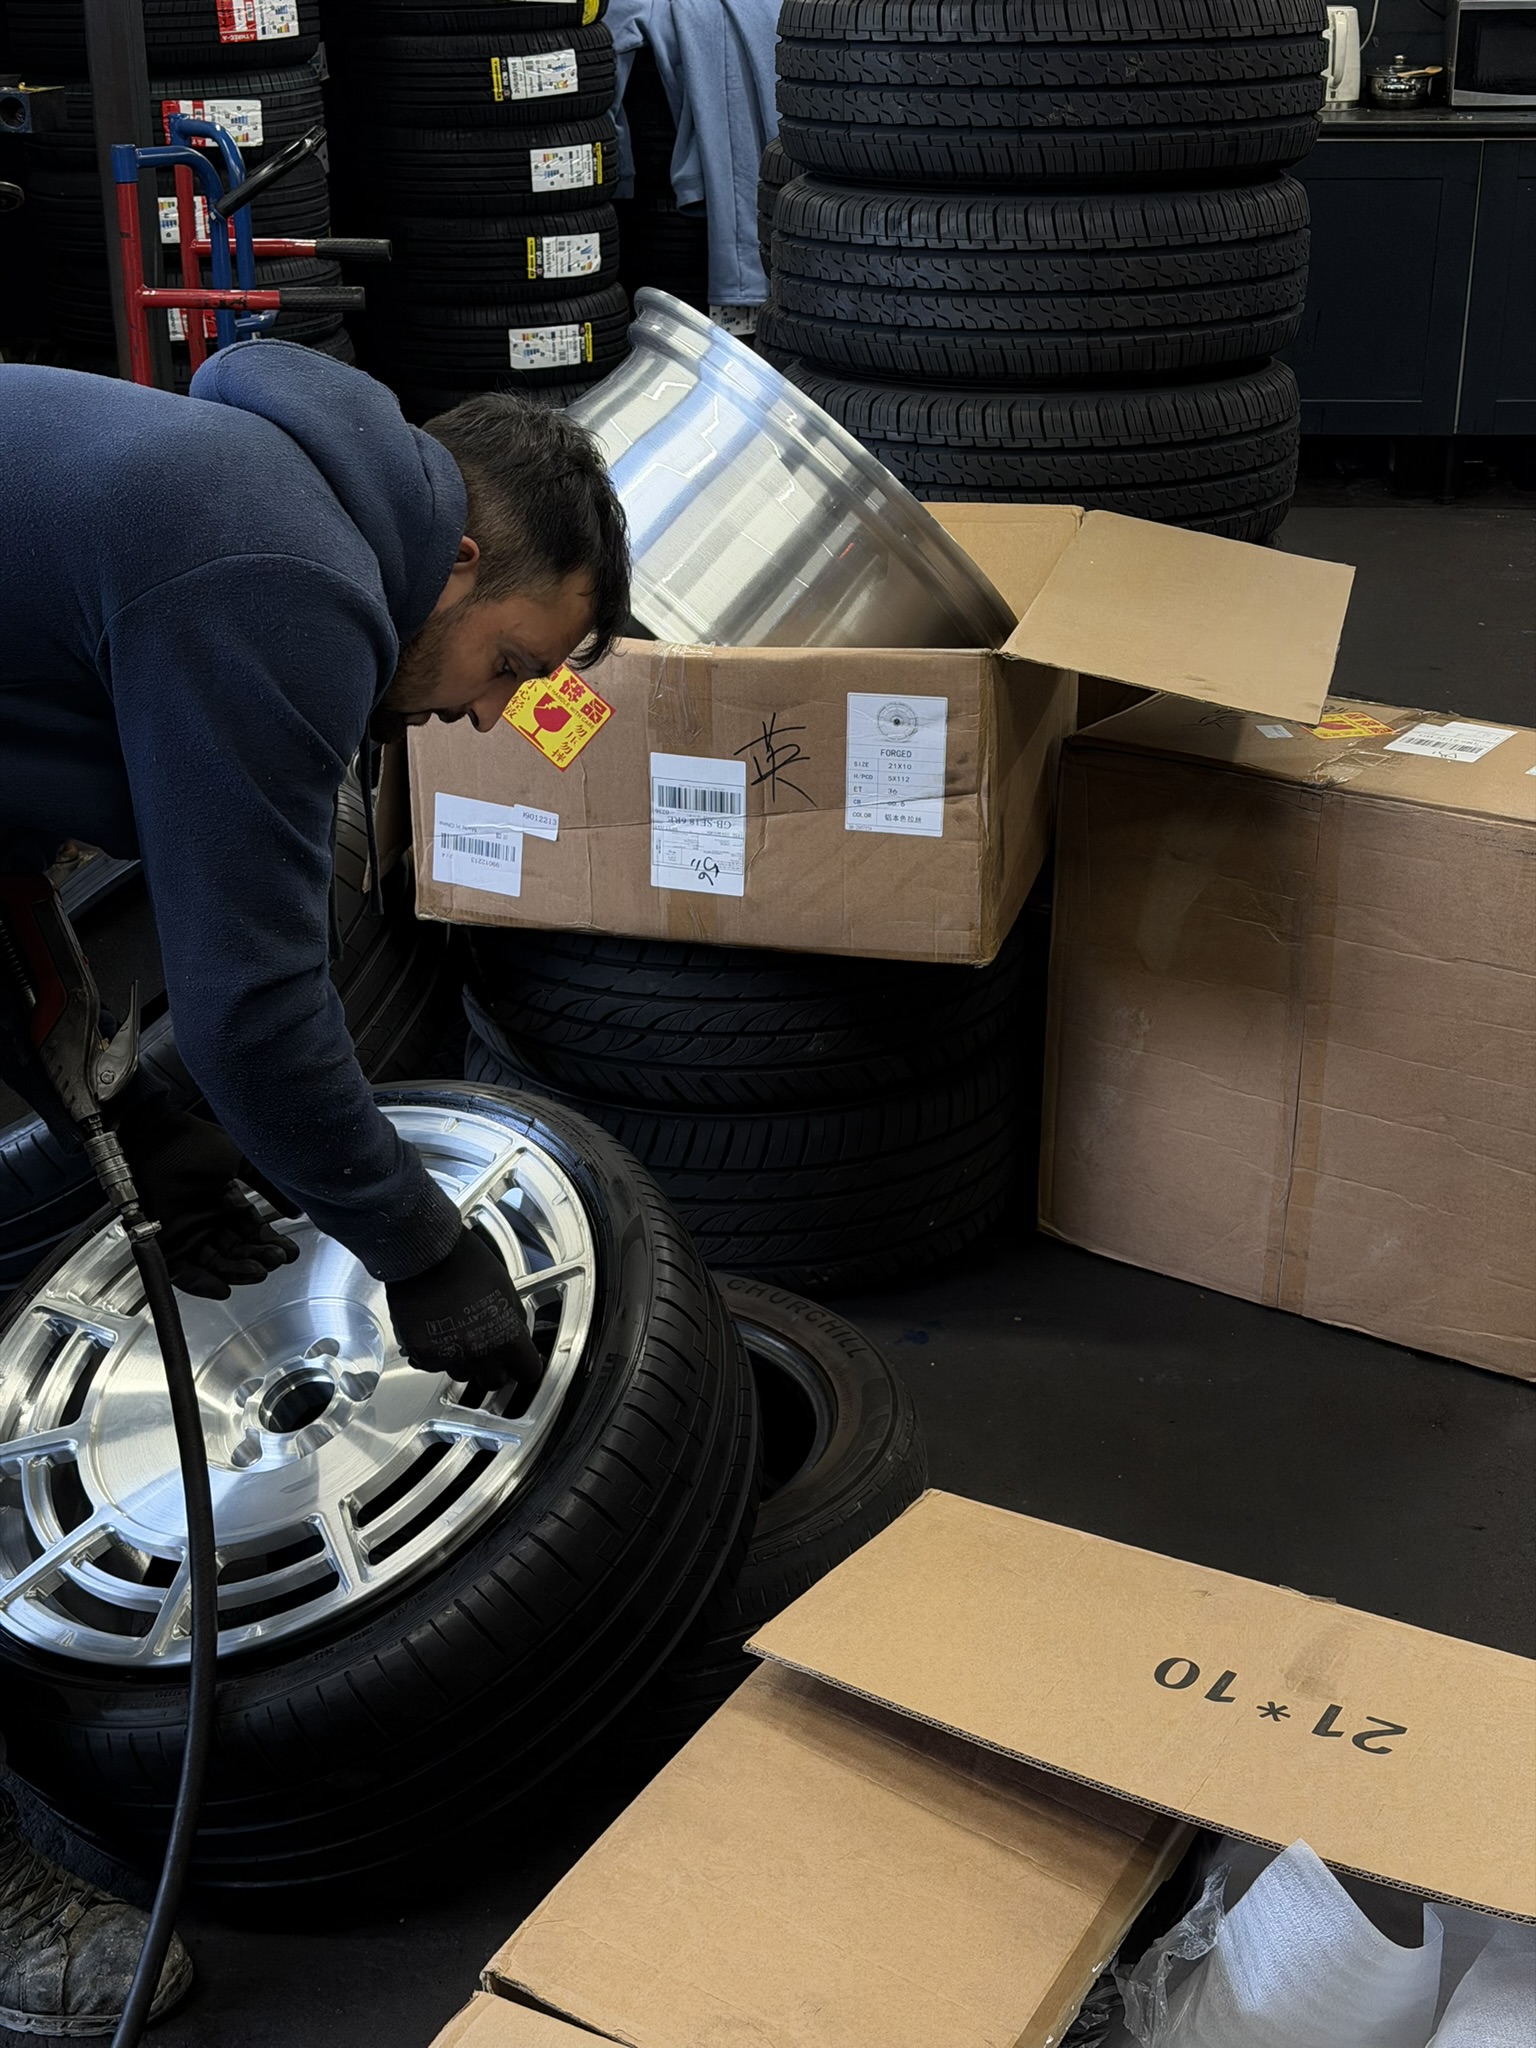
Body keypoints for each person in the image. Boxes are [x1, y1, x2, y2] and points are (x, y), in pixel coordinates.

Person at [0, 341, 630, 2034]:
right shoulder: (287, 574)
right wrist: (421, 1252)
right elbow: (264, 1008)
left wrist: (115, 1111)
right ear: (468, 559)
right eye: (513, 666)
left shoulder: (247, 501)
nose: (493, 714)